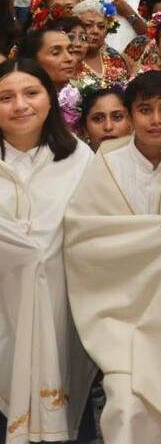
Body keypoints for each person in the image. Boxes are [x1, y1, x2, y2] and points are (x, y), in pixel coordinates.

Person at [63, 71, 161, 443]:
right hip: (121, 312)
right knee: (127, 403)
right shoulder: (107, 165)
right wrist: (155, 237)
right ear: (129, 114)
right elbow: (81, 236)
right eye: (144, 110)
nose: (156, 120)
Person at [0, 60, 96, 442]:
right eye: (6, 97)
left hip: (64, 308)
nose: (21, 105)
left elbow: (95, 234)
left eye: (32, 93)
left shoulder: (78, 159)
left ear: (51, 99)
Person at [73, 0, 135, 88]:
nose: (95, 31)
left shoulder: (113, 56)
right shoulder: (69, 61)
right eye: (88, 25)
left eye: (101, 26)